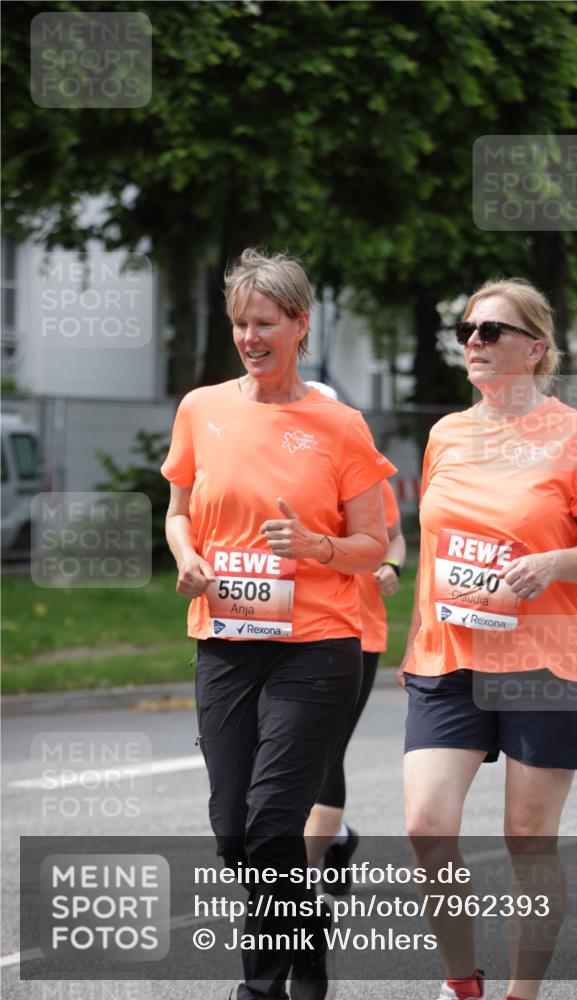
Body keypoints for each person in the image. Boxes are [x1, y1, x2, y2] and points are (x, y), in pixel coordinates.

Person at [161, 249, 396, 1000]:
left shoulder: (338, 424)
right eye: (239, 324)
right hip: (225, 642)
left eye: (265, 323)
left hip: (317, 649)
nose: (250, 337)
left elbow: (374, 545)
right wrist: (186, 556)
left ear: (300, 324)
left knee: (271, 825)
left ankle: (259, 991)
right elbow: (174, 512)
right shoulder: (201, 408)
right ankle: (309, 932)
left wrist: (316, 546)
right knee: (235, 833)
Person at [399, 278, 577, 1000]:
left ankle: (520, 995)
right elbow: (434, 551)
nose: (473, 341)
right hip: (450, 656)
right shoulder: (444, 434)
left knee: (527, 840)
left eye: (490, 331)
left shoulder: (575, 434)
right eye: (466, 329)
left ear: (534, 348)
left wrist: (549, 563)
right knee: (425, 826)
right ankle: (459, 982)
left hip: (546, 660)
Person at [303, 380, 406, 885]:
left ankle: (300, 877)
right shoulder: (274, 470)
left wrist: (391, 566)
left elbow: (397, 537)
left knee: (325, 749)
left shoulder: (363, 471)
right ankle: (337, 836)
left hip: (355, 630)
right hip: (286, 629)